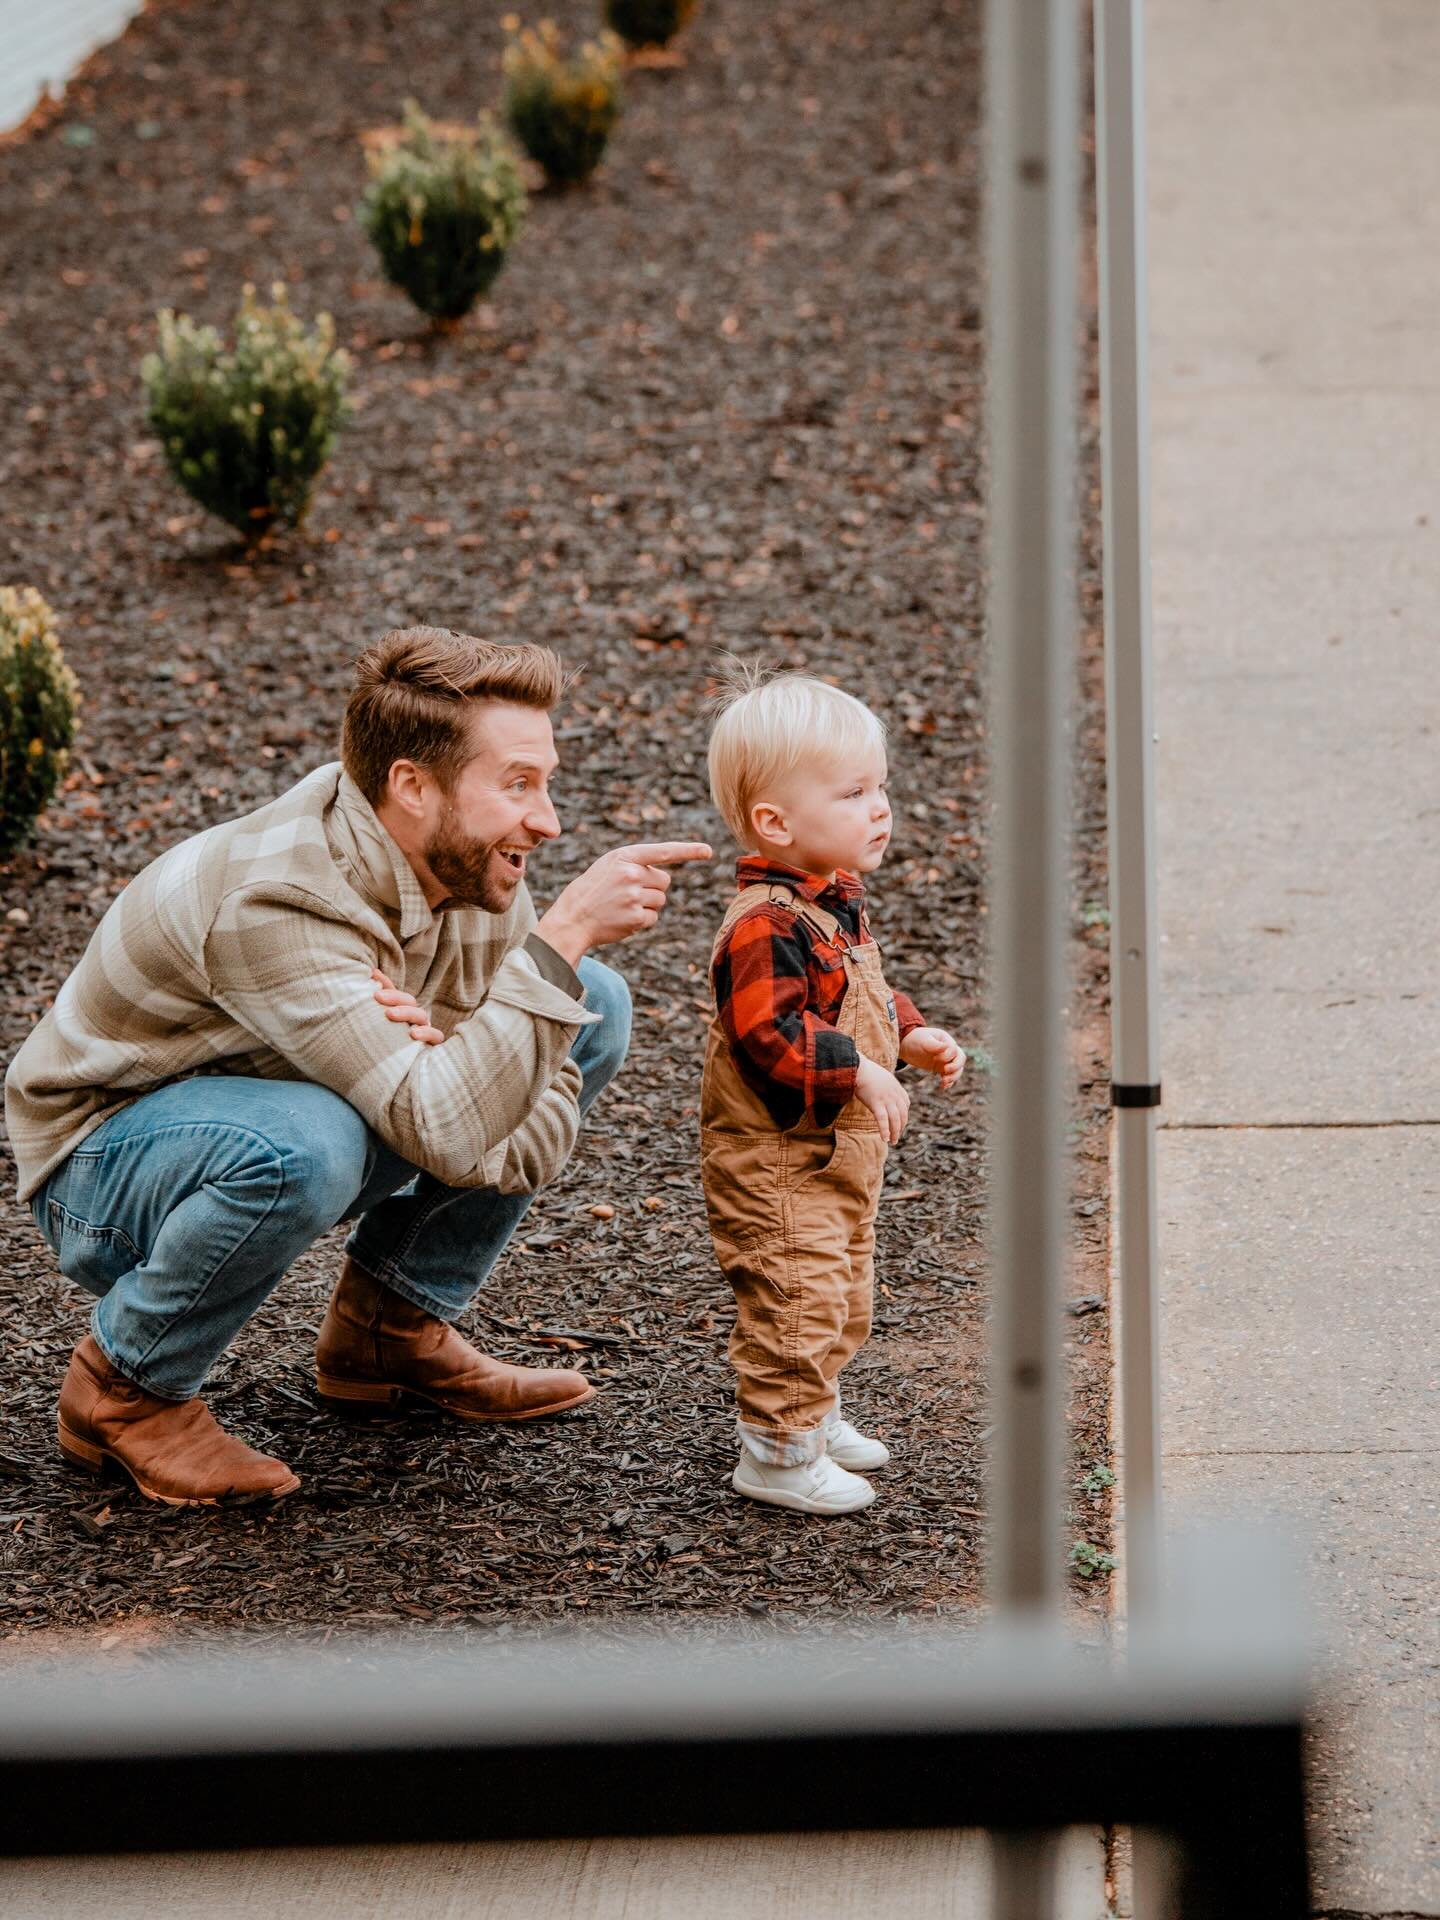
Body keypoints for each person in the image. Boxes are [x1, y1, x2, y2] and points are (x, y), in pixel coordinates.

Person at [4, 626, 710, 1509]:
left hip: (267, 1100)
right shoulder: (277, 900)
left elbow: (492, 1124)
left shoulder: (463, 859)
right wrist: (547, 953)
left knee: (587, 1000)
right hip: (107, 1165)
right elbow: (451, 1128)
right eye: (518, 784)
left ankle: (389, 1328)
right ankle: (125, 1390)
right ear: (412, 786)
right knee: (312, 1143)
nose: (549, 820)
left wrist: (458, 1060)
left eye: (546, 782)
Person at [700, 668, 965, 1515]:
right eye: (853, 793)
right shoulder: (765, 924)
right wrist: (859, 1069)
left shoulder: (834, 901)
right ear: (776, 823)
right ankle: (777, 1456)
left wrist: (908, 1033)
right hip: (777, 1161)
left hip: (830, 1155)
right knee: (796, 1298)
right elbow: (769, 1032)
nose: (879, 808)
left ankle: (815, 1418)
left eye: (880, 787)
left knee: (844, 1292)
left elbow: (859, 991)